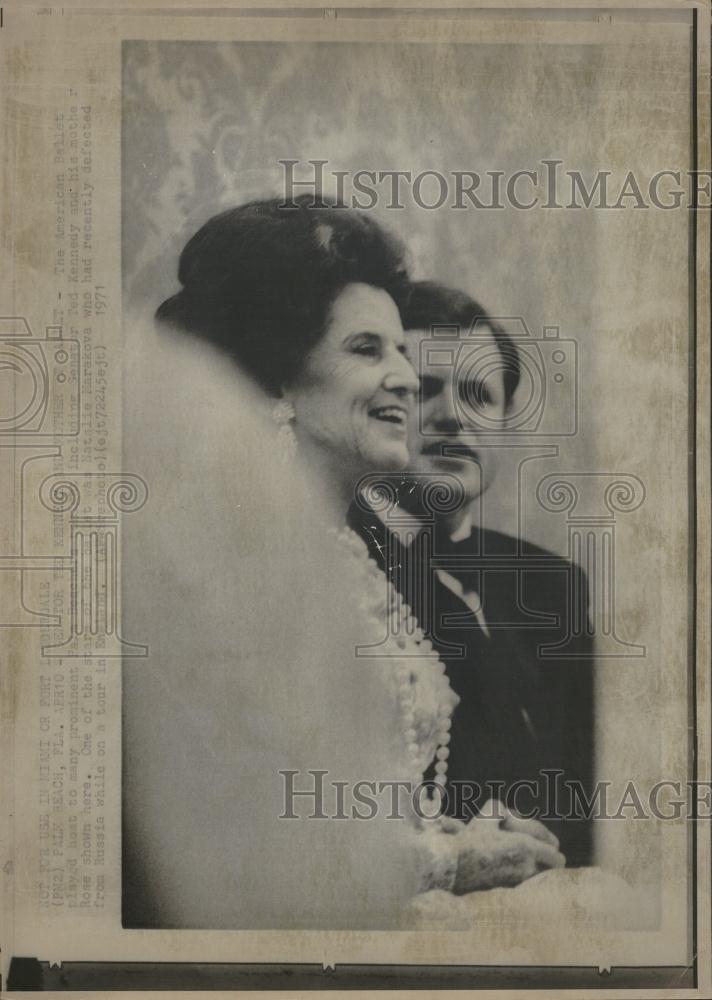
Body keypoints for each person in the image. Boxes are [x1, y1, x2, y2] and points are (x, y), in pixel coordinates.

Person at [122, 198, 565, 930]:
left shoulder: (350, 561)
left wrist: (449, 835)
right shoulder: (232, 561)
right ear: (278, 378)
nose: (403, 377)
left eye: (400, 349)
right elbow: (251, 840)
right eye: (368, 350)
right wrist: (455, 861)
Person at [349, 280, 595, 867]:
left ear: (506, 426)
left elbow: (593, 792)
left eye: (479, 396)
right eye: (425, 390)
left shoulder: (552, 583)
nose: (453, 417)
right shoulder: (338, 562)